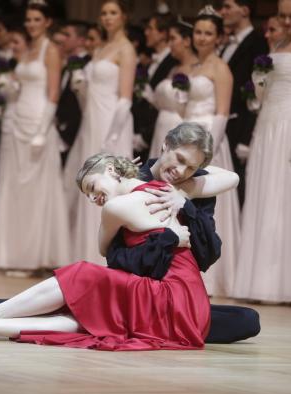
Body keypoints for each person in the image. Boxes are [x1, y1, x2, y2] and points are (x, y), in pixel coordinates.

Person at [0, 123, 260, 345]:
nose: (179, 171)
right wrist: (167, 239)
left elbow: (208, 251)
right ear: (164, 147)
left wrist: (186, 202)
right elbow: (113, 255)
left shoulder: (192, 188)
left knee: (246, 321)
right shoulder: (126, 183)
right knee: (39, 300)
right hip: (131, 281)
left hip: (167, 293)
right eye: (177, 160)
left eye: (190, 168)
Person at [233, 0, 291, 303]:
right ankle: (262, 281)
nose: (287, 22)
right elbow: (261, 95)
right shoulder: (274, 46)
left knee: (290, 197)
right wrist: (258, 84)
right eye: (282, 16)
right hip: (268, 125)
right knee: (265, 197)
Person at [0, 1, 71, 272]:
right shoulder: (26, 50)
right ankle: (17, 255)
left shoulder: (51, 50)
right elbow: (20, 84)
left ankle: (36, 257)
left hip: (37, 123)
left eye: (36, 19)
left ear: (47, 22)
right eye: (28, 20)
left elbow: (54, 93)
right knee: (18, 191)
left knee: (36, 190)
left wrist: (42, 130)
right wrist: (9, 86)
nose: (31, 24)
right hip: (18, 123)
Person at [64, 0, 137, 265]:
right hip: (92, 120)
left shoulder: (126, 49)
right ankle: (86, 252)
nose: (107, 17)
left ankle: (113, 255)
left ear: (124, 16)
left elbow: (125, 98)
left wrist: (111, 138)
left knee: (109, 184)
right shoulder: (100, 48)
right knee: (89, 182)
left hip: (112, 124)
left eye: (113, 13)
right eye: (104, 13)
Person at [183, 7, 241, 297]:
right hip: (186, 139)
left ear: (218, 37)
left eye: (208, 33)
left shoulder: (220, 68)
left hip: (208, 142)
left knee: (206, 206)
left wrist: (206, 153)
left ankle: (215, 276)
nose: (202, 38)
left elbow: (221, 114)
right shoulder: (192, 66)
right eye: (198, 32)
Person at [219, 0, 269, 206]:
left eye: (228, 7)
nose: (223, 12)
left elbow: (257, 92)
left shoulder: (257, 43)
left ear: (245, 10)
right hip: (227, 122)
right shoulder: (227, 44)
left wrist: (247, 136)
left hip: (242, 124)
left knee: (237, 183)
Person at [147, 16, 195, 158]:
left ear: (186, 41)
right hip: (161, 128)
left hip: (178, 129)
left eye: (173, 39)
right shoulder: (173, 68)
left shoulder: (197, 70)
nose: (170, 45)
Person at [132, 12, 177, 161]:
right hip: (138, 131)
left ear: (163, 33)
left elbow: (168, 103)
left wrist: (145, 137)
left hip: (154, 134)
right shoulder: (151, 61)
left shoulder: (172, 62)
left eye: (150, 29)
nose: (146, 32)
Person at [56, 20, 91, 165]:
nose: (62, 38)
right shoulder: (67, 66)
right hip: (61, 130)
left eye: (67, 35)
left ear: (81, 40)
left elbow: (82, 103)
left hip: (75, 133)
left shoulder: (88, 64)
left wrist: (67, 136)